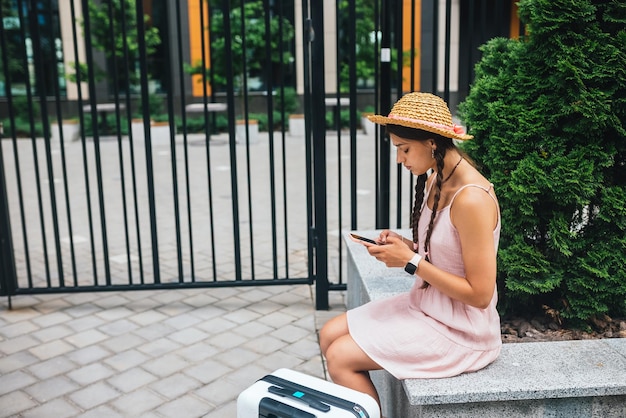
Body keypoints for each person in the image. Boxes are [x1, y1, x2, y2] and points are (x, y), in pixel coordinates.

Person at [319, 92, 502, 408]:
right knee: (328, 333)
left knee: (339, 356)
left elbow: (481, 294)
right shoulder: (437, 177)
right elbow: (449, 251)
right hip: (428, 306)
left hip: (462, 332)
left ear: (432, 142)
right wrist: (407, 247)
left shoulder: (472, 200)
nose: (399, 159)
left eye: (404, 149)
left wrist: (412, 261)